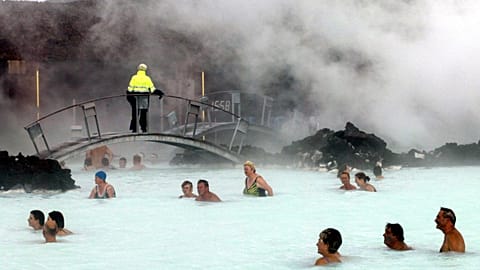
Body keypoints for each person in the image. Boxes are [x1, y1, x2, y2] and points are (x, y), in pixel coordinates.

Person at [127, 63, 158, 133]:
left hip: (135, 98)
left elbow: (130, 89)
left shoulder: (134, 78)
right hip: (144, 98)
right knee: (143, 113)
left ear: (138, 69)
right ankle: (144, 128)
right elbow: (152, 89)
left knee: (135, 113)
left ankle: (134, 128)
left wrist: (129, 94)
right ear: (145, 70)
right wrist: (159, 92)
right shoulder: (147, 79)